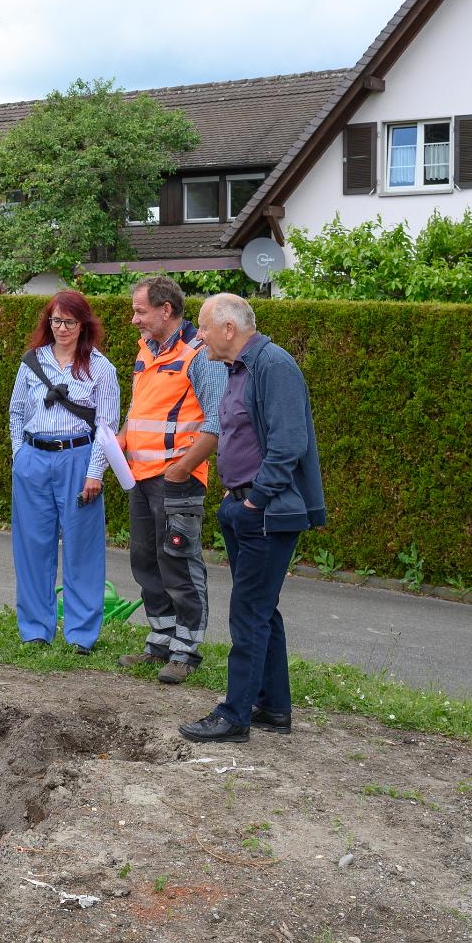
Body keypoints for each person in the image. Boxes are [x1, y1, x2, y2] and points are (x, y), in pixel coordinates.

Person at [178, 294, 325, 744]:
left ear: (228, 328)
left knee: (248, 613)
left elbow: (288, 444)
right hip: (245, 506)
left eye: (203, 328)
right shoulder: (238, 369)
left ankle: (235, 715)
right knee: (263, 611)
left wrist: (256, 499)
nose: (198, 337)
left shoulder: (273, 365)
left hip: (267, 512)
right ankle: (274, 707)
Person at [118, 276, 226, 685]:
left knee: (179, 561)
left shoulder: (200, 354)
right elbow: (140, 409)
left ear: (166, 310)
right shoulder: (146, 349)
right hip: (141, 478)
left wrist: (181, 469)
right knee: (145, 559)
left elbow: (216, 422)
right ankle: (160, 639)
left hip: (178, 480)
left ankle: (186, 650)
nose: (133, 320)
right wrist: (124, 438)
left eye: (140, 311)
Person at [6, 290, 119, 654]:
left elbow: (106, 426)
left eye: (70, 322)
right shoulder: (31, 362)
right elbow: (16, 413)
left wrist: (95, 472)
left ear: (83, 323)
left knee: (82, 549)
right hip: (34, 458)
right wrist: (19, 457)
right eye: (56, 321)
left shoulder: (101, 367)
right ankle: (36, 630)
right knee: (32, 547)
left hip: (78, 457)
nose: (62, 328)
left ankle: (81, 634)